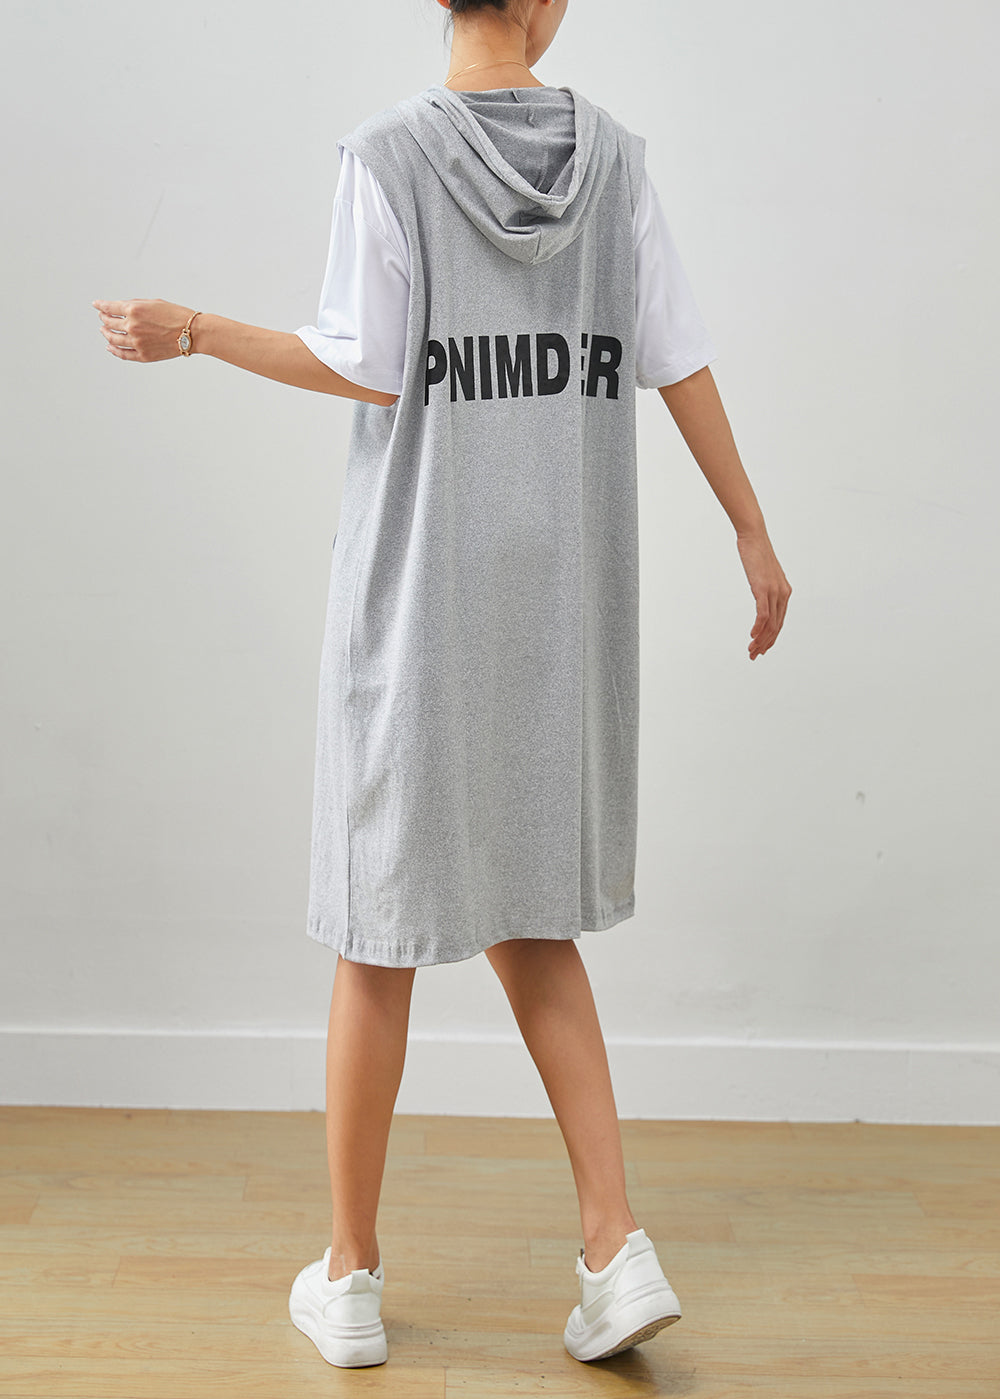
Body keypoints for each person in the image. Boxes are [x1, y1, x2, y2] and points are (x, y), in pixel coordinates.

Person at [92, 0, 791, 1372]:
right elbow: (677, 355)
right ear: (543, 4)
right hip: (562, 599)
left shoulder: (389, 157)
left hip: (421, 598)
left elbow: (362, 364)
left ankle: (350, 1274)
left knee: (378, 930)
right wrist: (750, 527)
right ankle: (614, 1244)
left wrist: (199, 330)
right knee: (534, 921)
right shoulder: (619, 164)